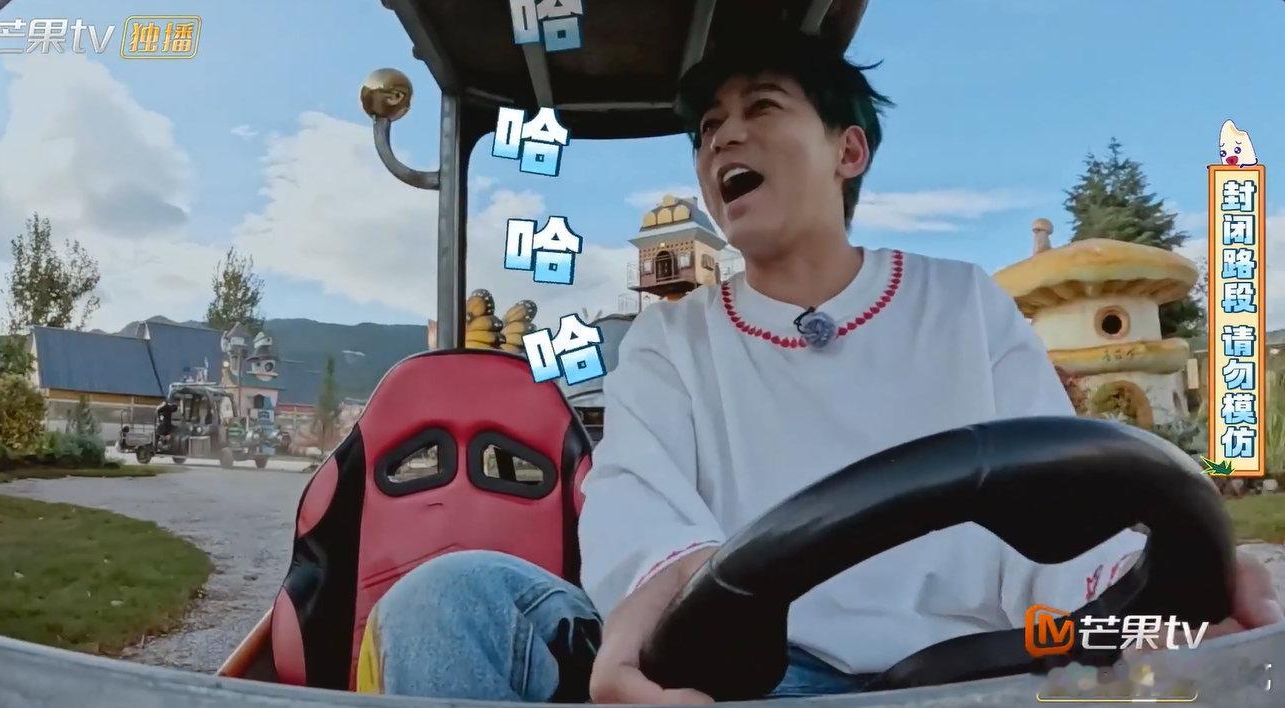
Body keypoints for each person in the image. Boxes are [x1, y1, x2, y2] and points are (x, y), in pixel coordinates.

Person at [362, 28, 1283, 702]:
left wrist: (1168, 593)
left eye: (761, 108)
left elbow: (1063, 521)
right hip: (751, 676)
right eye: (708, 128)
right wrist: (644, 631)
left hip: (974, 674)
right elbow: (637, 501)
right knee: (443, 597)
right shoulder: (671, 341)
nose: (723, 140)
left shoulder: (961, 301)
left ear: (849, 149)